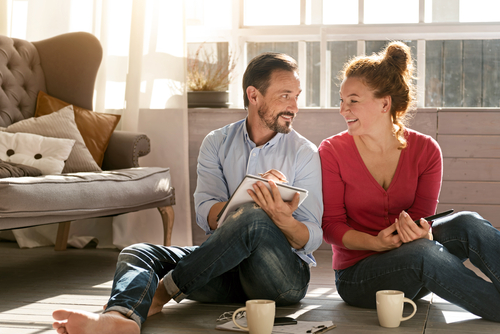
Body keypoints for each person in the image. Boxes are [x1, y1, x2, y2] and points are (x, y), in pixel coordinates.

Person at [52, 52, 323, 334]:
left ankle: (160, 296)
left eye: (296, 96)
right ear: (253, 95)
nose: (294, 106)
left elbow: (312, 235)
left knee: (255, 218)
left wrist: (281, 219)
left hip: (279, 280)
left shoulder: (304, 153)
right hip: (222, 271)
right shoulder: (217, 142)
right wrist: (249, 197)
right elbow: (207, 214)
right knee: (138, 252)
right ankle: (122, 317)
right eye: (285, 96)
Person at [318, 41, 500, 322]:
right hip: (359, 277)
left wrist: (422, 233)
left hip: (416, 259)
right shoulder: (332, 151)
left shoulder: (426, 150)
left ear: (385, 103)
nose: (343, 110)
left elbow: (420, 220)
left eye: (353, 100)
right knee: (424, 253)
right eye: (341, 100)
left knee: (468, 222)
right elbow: (330, 227)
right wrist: (375, 243)